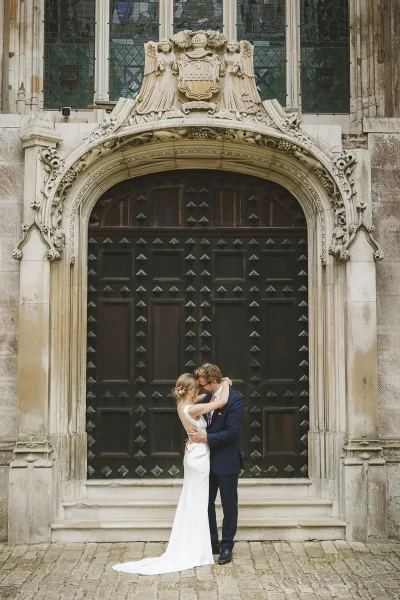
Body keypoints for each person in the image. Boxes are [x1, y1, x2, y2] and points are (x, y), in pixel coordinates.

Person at [112, 373, 231, 575]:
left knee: (194, 500)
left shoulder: (182, 406)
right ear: (190, 390)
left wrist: (203, 393)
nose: (199, 393)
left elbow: (204, 400)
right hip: (200, 457)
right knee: (199, 502)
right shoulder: (193, 409)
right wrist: (226, 383)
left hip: (193, 455)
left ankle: (197, 543)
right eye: (197, 390)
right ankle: (197, 547)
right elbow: (222, 401)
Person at [189, 363, 245, 565]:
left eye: (204, 385)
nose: (202, 388)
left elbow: (232, 433)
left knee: (229, 506)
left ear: (214, 382)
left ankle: (227, 546)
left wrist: (206, 438)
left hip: (227, 460)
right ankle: (212, 542)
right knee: (207, 503)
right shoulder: (211, 396)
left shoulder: (235, 400)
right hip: (205, 460)